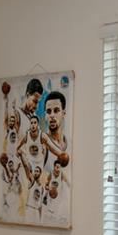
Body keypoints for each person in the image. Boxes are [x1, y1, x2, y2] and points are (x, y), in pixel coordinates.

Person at [39, 90, 71, 227]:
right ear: (45, 115)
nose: (52, 115)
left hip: (67, 217)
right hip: (48, 217)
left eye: (56, 110)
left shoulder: (69, 143)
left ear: (63, 113)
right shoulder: (42, 145)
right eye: (48, 111)